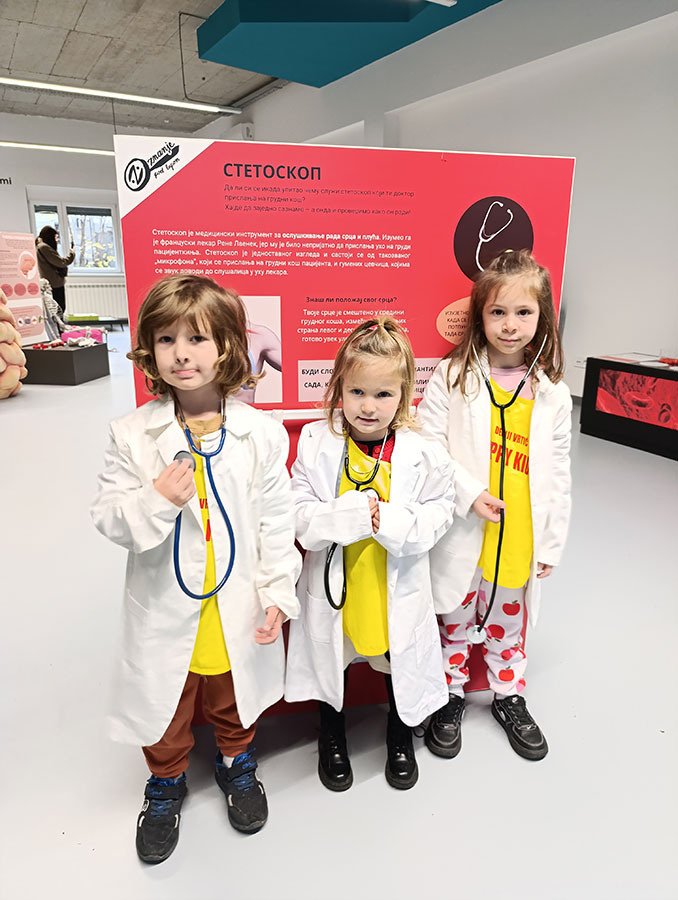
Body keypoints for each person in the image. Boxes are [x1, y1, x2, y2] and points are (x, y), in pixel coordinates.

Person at [91, 275, 300, 864]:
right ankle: (165, 781)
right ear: (149, 350)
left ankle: (236, 761)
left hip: (236, 598)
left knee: (231, 690)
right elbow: (108, 517)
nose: (181, 354)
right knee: (167, 697)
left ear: (229, 346)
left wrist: (277, 590)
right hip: (165, 601)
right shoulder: (133, 434)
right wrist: (156, 499)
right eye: (166, 340)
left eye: (197, 339)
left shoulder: (260, 433)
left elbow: (276, 519)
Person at [285, 318, 454, 791]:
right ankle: (331, 735)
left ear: (403, 395)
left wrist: (390, 522)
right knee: (333, 661)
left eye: (383, 394)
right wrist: (344, 517)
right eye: (357, 391)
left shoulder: (423, 451)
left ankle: (399, 735)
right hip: (339, 584)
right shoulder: (317, 443)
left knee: (395, 661)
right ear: (339, 387)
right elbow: (297, 511)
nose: (368, 406)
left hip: (390, 584)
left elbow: (441, 511)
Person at [417, 249, 572, 762]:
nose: (510, 325)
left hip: (520, 532)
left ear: (542, 317)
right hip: (465, 528)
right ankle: (451, 695)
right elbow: (429, 445)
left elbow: (559, 471)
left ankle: (508, 695)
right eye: (498, 312)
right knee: (455, 616)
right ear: (479, 316)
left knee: (509, 620)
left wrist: (551, 542)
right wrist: (468, 494)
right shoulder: (453, 377)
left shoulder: (551, 392)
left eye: (524, 312)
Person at [35, 226, 75, 315]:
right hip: (54, 283)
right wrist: (72, 253)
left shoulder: (40, 246)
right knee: (59, 309)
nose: (56, 240)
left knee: (56, 310)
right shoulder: (44, 247)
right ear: (50, 236)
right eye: (55, 238)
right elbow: (62, 262)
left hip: (51, 282)